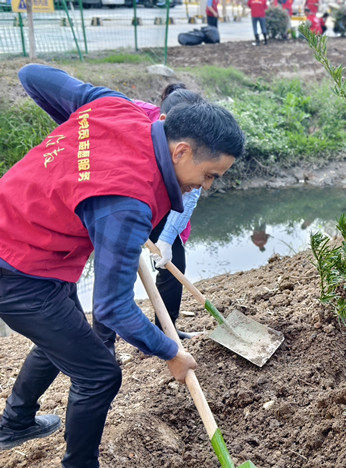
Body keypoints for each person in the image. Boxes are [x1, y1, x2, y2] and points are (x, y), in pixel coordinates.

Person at [0, 64, 245, 468]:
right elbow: (112, 308)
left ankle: (14, 424)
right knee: (99, 373)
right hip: (17, 270)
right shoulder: (127, 203)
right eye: (210, 175)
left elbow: (33, 74)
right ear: (183, 149)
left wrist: (80, 152)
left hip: (31, 247)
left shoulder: (116, 107)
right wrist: (169, 349)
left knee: (62, 340)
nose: (207, 187)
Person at [19, 73, 206, 346]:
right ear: (162, 116)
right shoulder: (134, 113)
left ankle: (168, 328)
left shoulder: (196, 144)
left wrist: (165, 239)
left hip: (165, 201)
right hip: (122, 198)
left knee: (174, 260)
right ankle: (105, 340)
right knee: (116, 272)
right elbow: (86, 122)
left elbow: (190, 194)